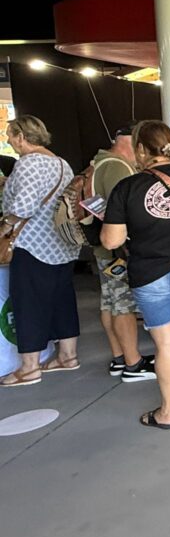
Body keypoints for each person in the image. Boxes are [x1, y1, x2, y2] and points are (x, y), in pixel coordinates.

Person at [100, 120, 170, 428]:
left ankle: (169, 412)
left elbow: (111, 241)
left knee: (166, 343)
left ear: (140, 149)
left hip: (153, 271)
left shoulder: (127, 187)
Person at [0, 116, 80, 387]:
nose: (9, 140)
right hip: (63, 243)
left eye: (11, 135)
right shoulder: (61, 163)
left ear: (22, 136)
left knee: (29, 303)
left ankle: (30, 368)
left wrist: (4, 226)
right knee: (62, 300)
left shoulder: (28, 164)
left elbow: (23, 207)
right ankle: (67, 357)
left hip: (33, 245)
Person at [90, 125, 157, 382]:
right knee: (123, 305)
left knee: (109, 302)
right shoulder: (118, 167)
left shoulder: (98, 162)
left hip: (103, 248)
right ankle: (133, 364)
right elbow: (128, 211)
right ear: (131, 143)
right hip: (118, 249)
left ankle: (119, 357)